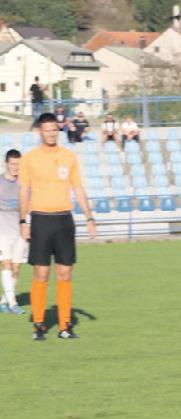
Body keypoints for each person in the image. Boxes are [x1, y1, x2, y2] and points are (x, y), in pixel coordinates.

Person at [18, 112, 97, 340]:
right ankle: (39, 325)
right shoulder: (29, 159)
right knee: (41, 273)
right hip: (40, 219)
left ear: (58, 130)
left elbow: (78, 188)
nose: (51, 133)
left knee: (65, 273)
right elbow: (24, 191)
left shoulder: (69, 156)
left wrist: (89, 218)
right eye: (47, 130)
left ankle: (65, 326)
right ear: (40, 132)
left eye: (55, 129)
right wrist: (23, 221)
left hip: (64, 220)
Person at [0, 150, 28, 315]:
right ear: (6, 163)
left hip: (19, 231)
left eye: (18, 164)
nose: (16, 167)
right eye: (13, 164)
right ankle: (13, 303)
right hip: (2, 231)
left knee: (16, 268)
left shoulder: (24, 183)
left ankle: (4, 300)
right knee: (7, 264)